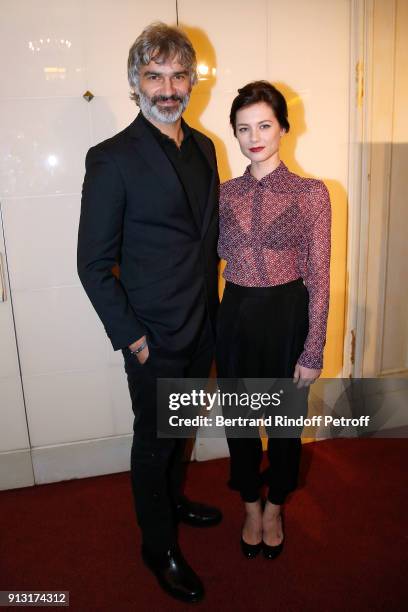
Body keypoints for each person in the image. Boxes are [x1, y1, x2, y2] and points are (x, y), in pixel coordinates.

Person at [77, 22, 221, 603]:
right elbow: (92, 264)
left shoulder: (208, 147)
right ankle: (156, 546)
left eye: (178, 75)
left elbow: (205, 238)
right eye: (154, 75)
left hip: (201, 328)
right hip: (153, 339)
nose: (168, 88)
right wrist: (133, 338)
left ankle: (175, 497)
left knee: (181, 432)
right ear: (136, 81)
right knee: (153, 441)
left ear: (192, 81)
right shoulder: (111, 158)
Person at [216, 81, 331, 560]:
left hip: (287, 317)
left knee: (285, 423)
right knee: (240, 420)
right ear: (236, 136)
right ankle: (249, 504)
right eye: (244, 128)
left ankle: (276, 504)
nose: (254, 136)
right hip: (236, 314)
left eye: (264, 124)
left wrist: (313, 348)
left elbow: (321, 276)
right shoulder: (223, 194)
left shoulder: (311, 194)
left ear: (284, 127)